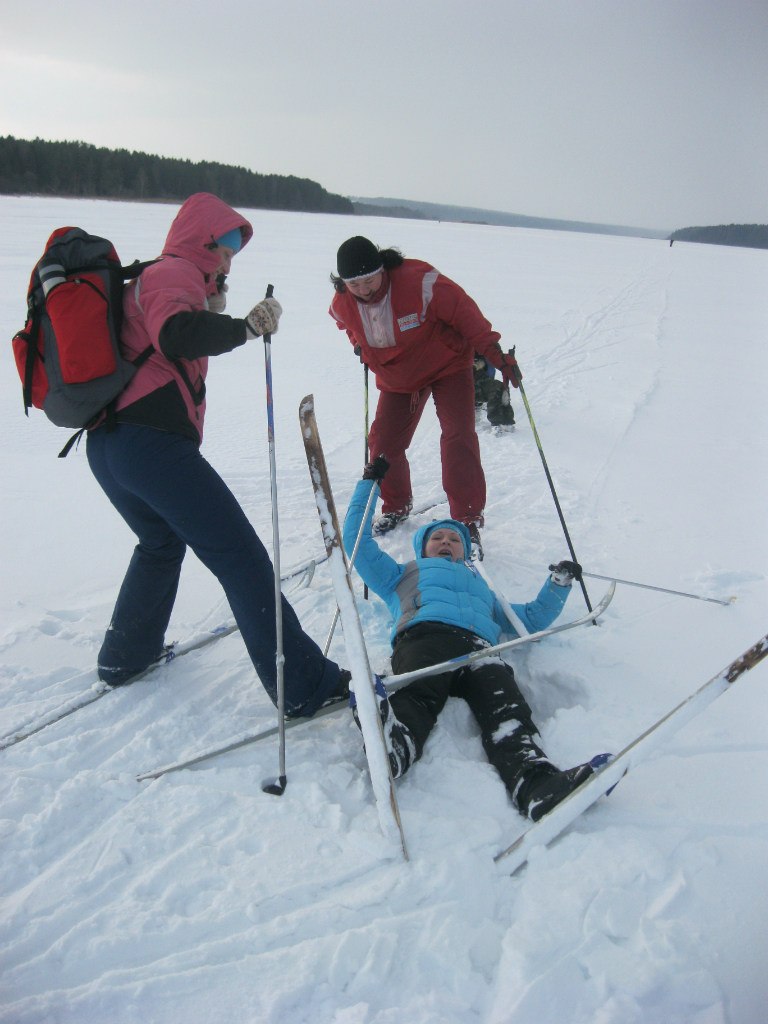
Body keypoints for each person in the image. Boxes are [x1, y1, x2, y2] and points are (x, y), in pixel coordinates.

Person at [86, 192, 348, 716]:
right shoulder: (174, 271)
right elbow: (174, 335)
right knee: (241, 557)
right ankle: (302, 686)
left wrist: (209, 307)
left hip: (111, 447)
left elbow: (168, 331)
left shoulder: (162, 280)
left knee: (160, 542)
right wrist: (243, 328)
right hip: (151, 447)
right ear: (200, 240)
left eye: (233, 253)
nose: (228, 260)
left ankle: (126, 656)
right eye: (224, 248)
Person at [342, 457, 611, 822]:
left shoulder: (483, 589)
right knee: (419, 695)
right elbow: (356, 541)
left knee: (507, 713)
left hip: (483, 651)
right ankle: (394, 745)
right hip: (428, 637)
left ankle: (536, 785)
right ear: (423, 548)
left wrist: (558, 585)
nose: (446, 542)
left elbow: (528, 619)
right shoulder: (401, 575)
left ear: (465, 552)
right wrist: (370, 485)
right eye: (437, 537)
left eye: (455, 539)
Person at [328, 236, 522, 554]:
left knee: (458, 435)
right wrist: (359, 345)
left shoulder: (420, 282)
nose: (363, 289)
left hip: (448, 366)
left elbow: (465, 314)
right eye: (354, 284)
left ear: (383, 269)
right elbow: (345, 324)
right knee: (382, 444)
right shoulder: (341, 304)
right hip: (399, 377)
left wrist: (495, 354)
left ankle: (467, 520)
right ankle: (396, 505)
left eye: (369, 279)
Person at [473, 353, 516, 427]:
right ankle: (474, 408)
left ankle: (505, 422)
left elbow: (491, 350)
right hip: (459, 379)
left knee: (500, 387)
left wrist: (504, 360)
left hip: (480, 376)